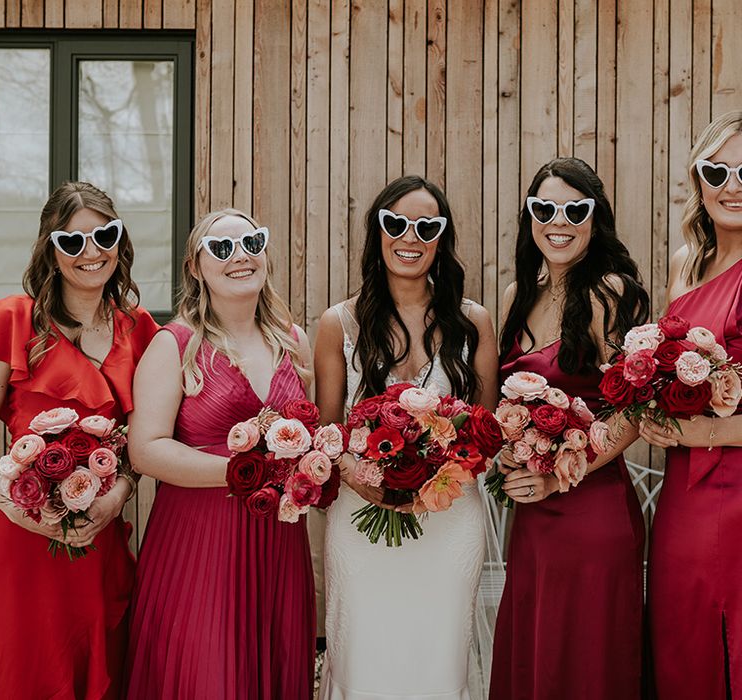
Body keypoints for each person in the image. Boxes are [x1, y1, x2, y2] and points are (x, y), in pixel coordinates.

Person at [315, 175, 502, 699]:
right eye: (396, 223)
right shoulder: (339, 324)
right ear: (378, 232)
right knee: (366, 658)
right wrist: (360, 475)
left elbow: (486, 431)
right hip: (361, 518)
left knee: (439, 658)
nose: (410, 236)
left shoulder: (473, 322)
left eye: (426, 226)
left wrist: (436, 475)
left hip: (449, 516)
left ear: (442, 238)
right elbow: (327, 433)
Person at [0, 181, 158, 698]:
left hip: (96, 541)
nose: (90, 252)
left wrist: (119, 494)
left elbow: (141, 444)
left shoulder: (140, 331)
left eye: (105, 236)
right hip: (14, 543)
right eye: (72, 241)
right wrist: (19, 508)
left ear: (120, 243)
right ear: (51, 252)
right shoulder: (8, 322)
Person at [125, 208, 316, 699]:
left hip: (277, 542)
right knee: (206, 673)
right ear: (196, 267)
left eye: (252, 244)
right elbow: (145, 450)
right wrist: (244, 474)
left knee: (273, 664)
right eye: (221, 248)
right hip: (198, 540)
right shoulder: (175, 344)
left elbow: (314, 429)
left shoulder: (294, 343)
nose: (240, 257)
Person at [490, 157, 650, 699]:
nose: (558, 221)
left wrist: (560, 477)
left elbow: (632, 412)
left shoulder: (611, 292)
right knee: (538, 661)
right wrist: (511, 456)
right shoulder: (518, 297)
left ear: (594, 217)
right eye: (544, 208)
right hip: (533, 515)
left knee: (587, 664)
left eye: (574, 209)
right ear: (530, 217)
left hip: (590, 505)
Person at [640, 111, 742, 698]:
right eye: (716, 169)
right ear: (698, 181)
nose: (731, 184)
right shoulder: (687, 263)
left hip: (733, 480)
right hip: (682, 488)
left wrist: (698, 432)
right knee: (680, 637)